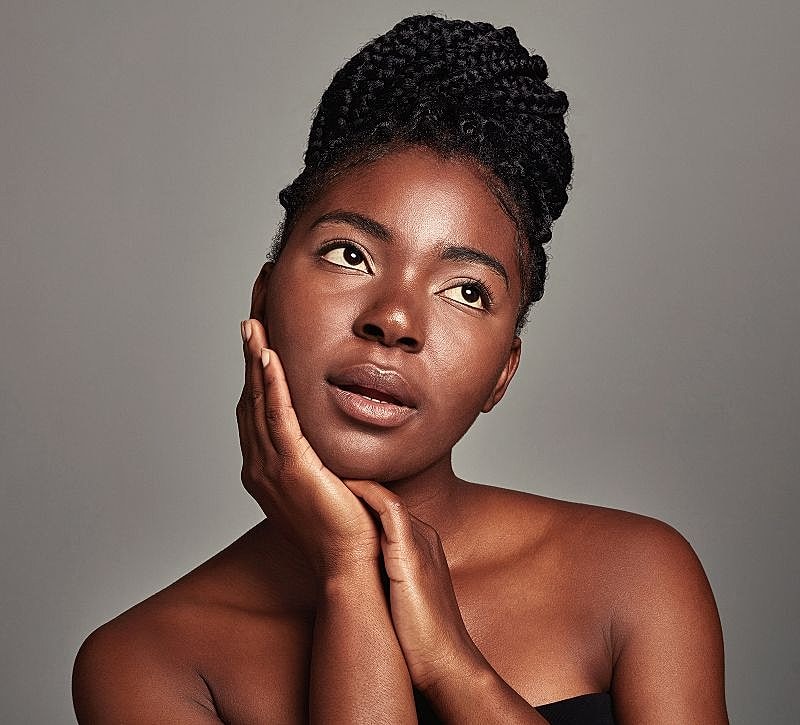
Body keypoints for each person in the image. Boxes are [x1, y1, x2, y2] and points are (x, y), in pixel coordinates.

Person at [72, 14, 728, 724]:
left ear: (502, 373)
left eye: (465, 291)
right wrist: (349, 570)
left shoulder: (634, 578)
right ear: (261, 298)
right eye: (349, 253)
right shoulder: (148, 661)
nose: (395, 319)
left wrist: (454, 666)